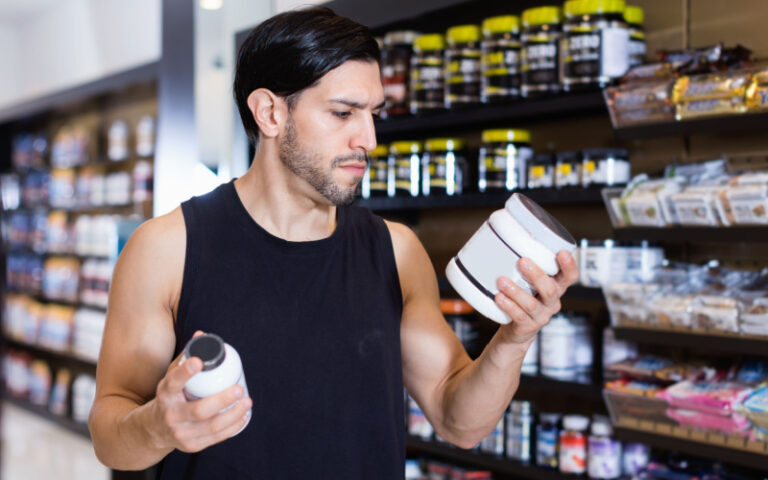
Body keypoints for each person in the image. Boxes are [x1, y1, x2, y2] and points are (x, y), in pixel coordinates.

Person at [88, 6, 578, 479]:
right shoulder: (167, 249)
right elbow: (111, 437)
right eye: (343, 113)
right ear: (270, 113)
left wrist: (515, 337)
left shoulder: (396, 251)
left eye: (373, 114)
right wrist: (157, 425)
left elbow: (461, 422)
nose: (368, 138)